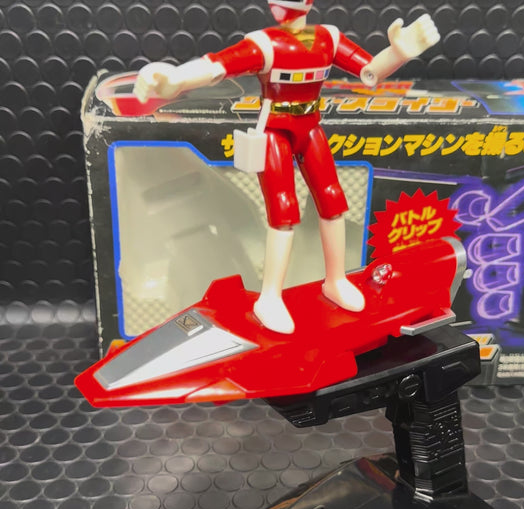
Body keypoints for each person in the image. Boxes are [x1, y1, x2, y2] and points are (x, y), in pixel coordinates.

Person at [134, 0, 440, 334]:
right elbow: (217, 66)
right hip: (275, 130)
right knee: (283, 211)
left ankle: (336, 280)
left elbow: (369, 71)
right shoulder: (266, 44)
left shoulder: (327, 38)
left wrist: (397, 53)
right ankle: (270, 297)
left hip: (310, 127)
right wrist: (176, 79)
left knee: (332, 200)